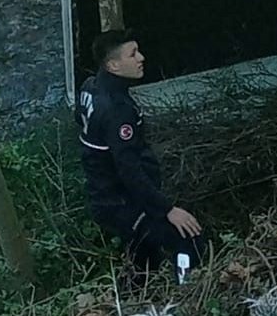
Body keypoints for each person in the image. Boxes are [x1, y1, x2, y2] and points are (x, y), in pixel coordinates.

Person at [74, 29, 205, 285]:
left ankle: (139, 300)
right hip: (121, 202)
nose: (141, 58)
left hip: (107, 197)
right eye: (133, 54)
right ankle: (187, 293)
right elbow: (129, 170)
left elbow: (79, 120)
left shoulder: (90, 87)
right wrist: (167, 209)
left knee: (145, 260)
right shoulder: (117, 110)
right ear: (113, 64)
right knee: (188, 237)